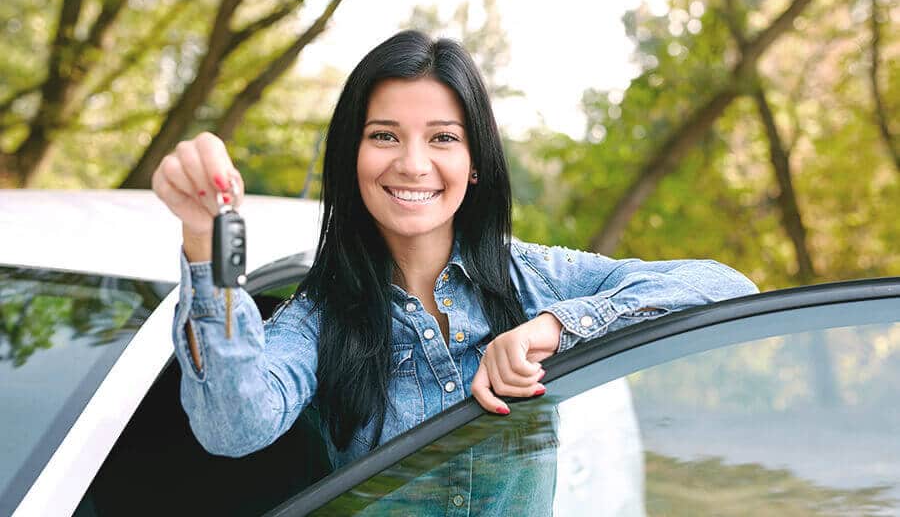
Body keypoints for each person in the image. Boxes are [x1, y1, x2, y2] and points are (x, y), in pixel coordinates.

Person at [152, 30, 758, 483]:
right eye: (383, 135)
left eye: (442, 137)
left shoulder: (534, 279)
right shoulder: (319, 316)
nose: (413, 163)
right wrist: (210, 241)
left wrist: (552, 328)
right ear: (352, 159)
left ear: (474, 166)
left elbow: (726, 287)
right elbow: (233, 426)